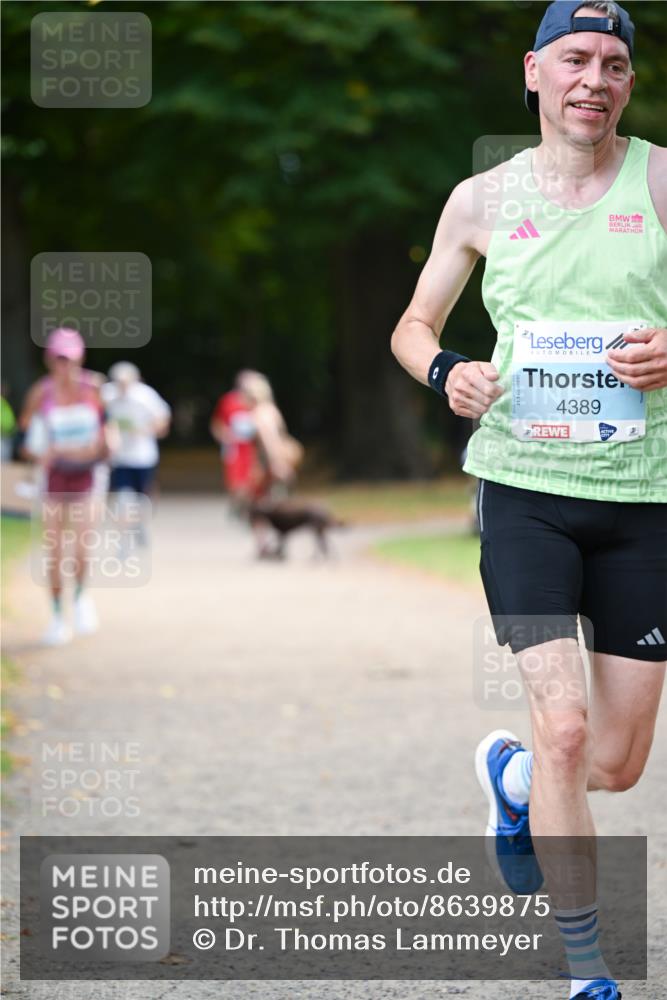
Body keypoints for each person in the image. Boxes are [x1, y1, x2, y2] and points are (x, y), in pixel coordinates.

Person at [391, 4, 666, 998]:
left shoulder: (663, 180)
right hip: (522, 490)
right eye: (575, 60)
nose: (594, 79)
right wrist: (448, 373)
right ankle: (585, 963)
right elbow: (413, 326)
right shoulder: (479, 200)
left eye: (613, 64)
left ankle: (509, 782)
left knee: (618, 761)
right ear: (532, 72)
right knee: (561, 724)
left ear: (626, 84)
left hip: (647, 500)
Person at [20, 328, 110, 645]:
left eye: (69, 359)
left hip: (88, 475)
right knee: (55, 552)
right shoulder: (40, 393)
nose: (64, 366)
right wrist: (42, 452)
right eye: (59, 359)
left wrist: (91, 448)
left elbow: (106, 437)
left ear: (79, 359)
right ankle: (58, 616)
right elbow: (26, 441)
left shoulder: (95, 388)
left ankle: (82, 596)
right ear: (50, 360)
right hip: (53, 478)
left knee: (82, 548)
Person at [102, 361, 171, 499]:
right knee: (123, 494)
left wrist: (145, 430)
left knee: (143, 492)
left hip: (142, 455)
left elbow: (163, 418)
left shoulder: (145, 395)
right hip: (119, 456)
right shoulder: (107, 393)